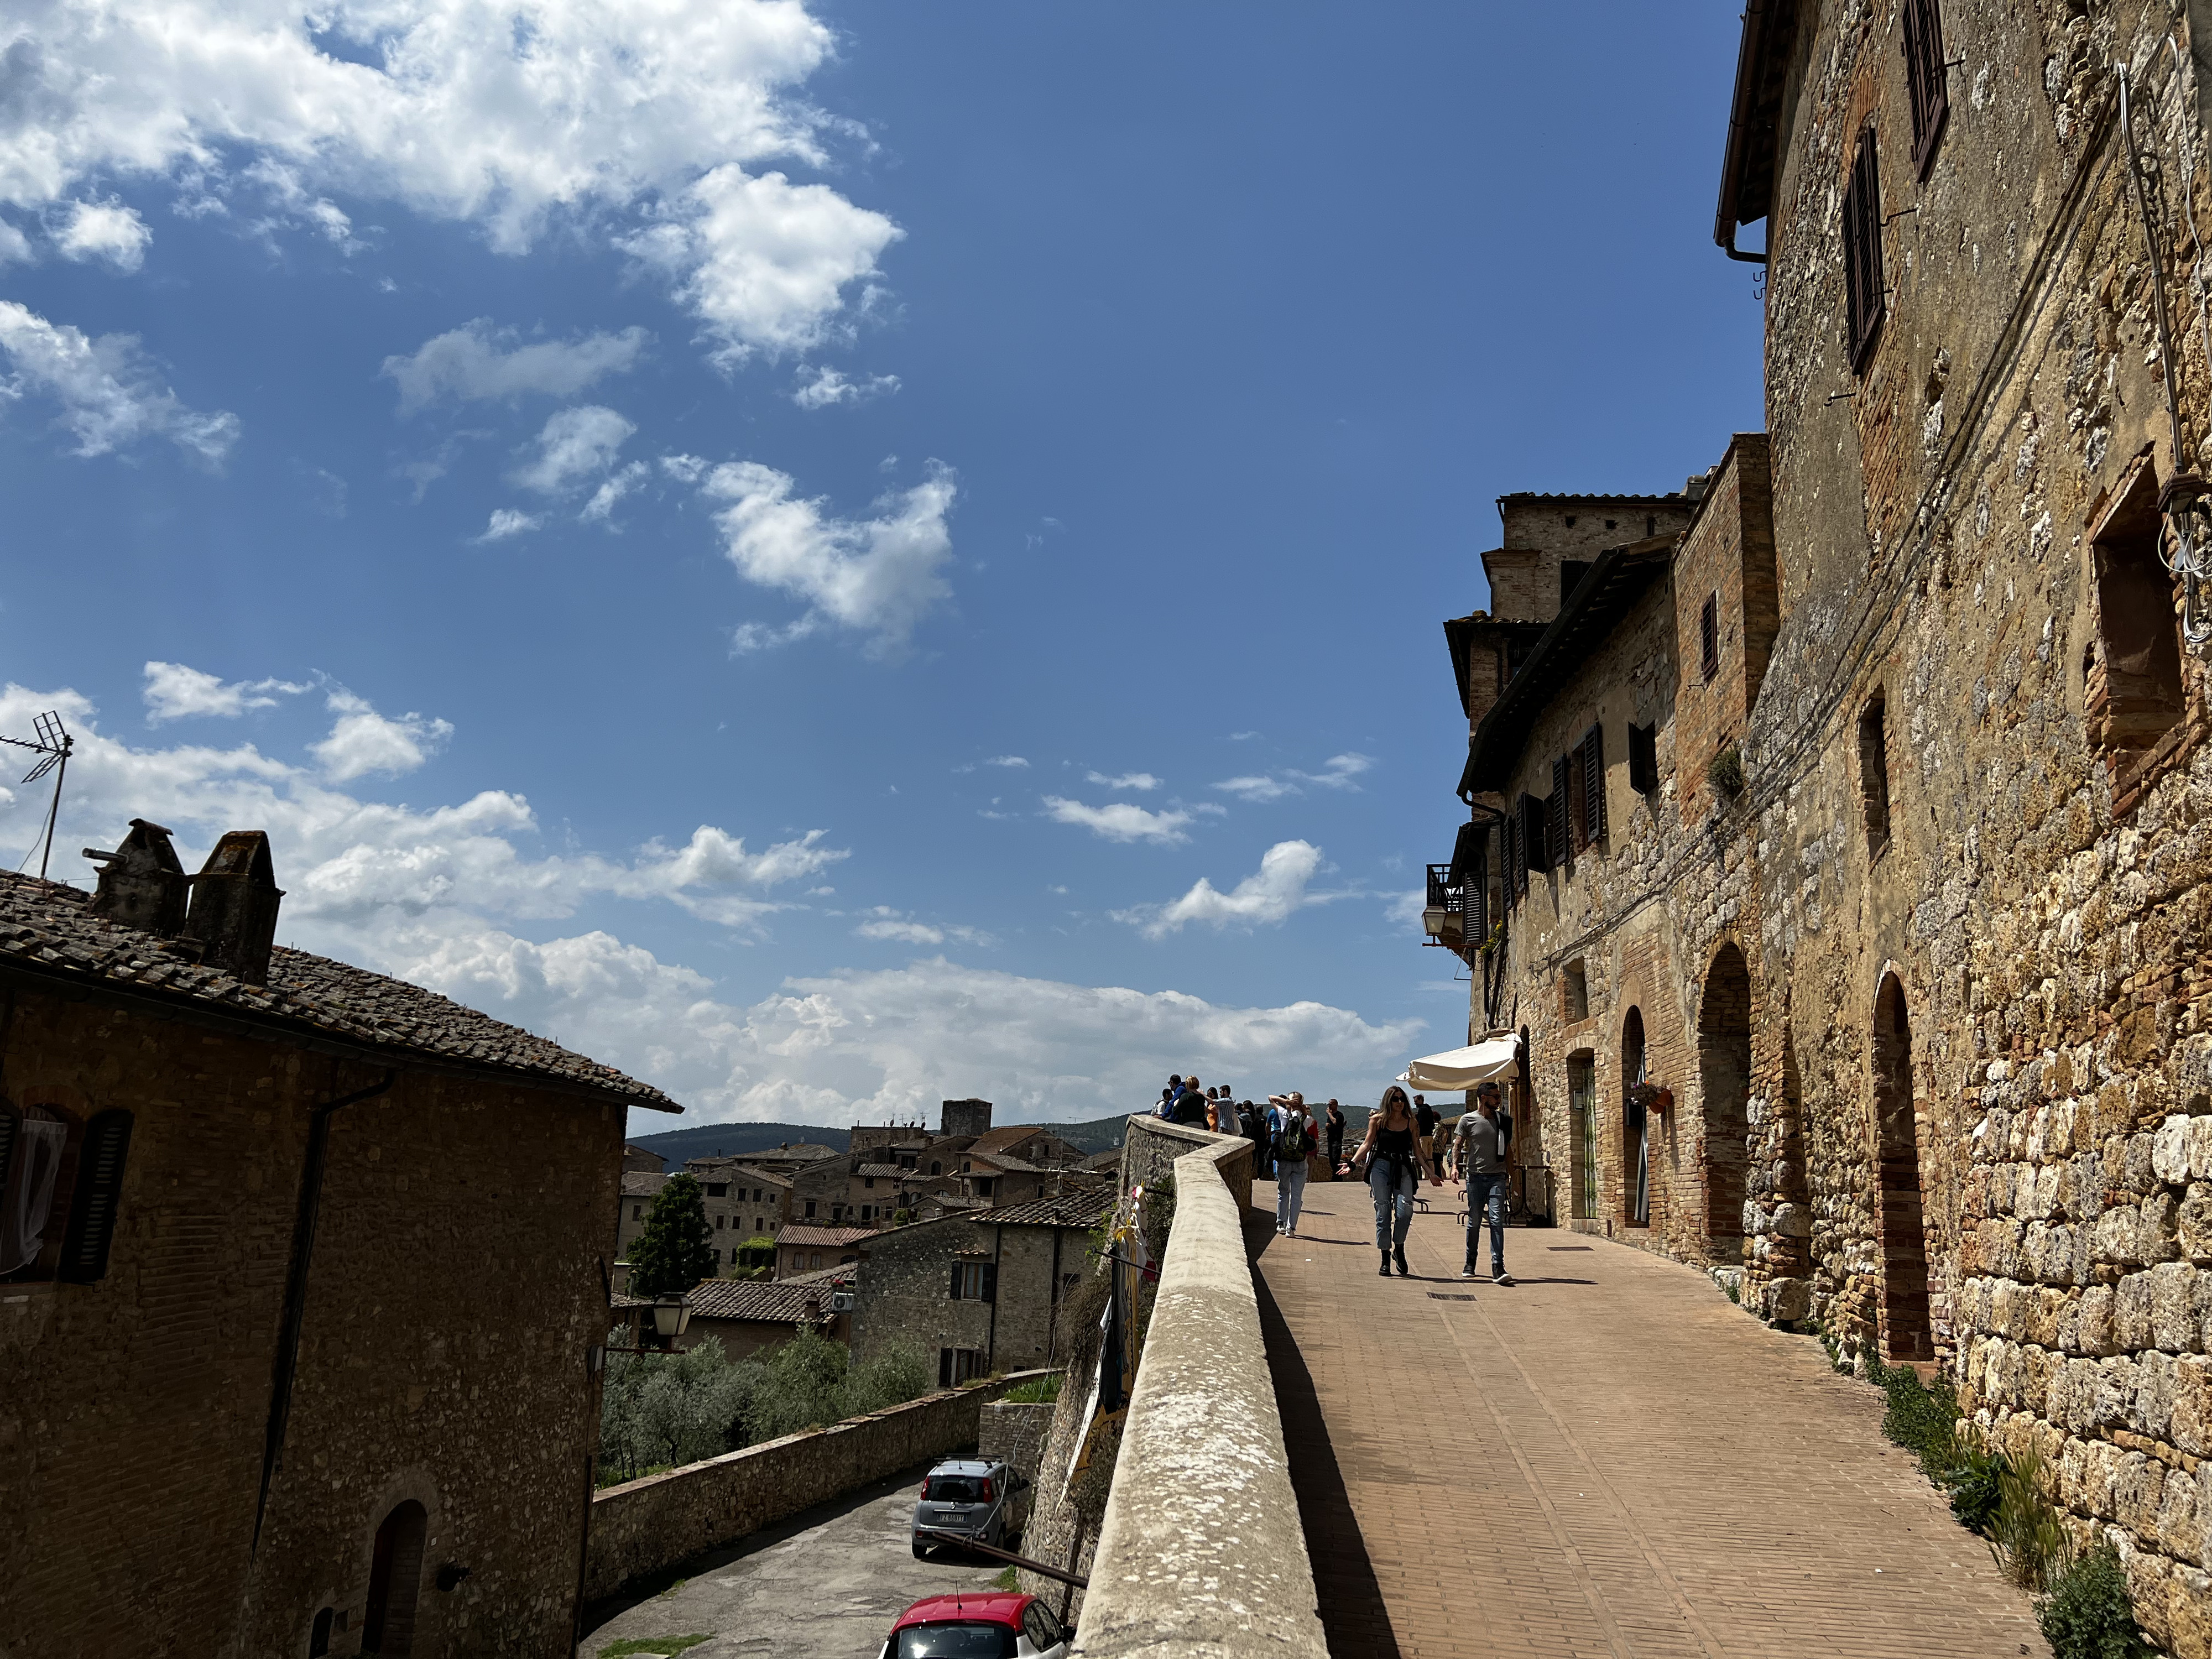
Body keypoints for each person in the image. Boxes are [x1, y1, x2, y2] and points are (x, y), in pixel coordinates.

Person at [1353, 1084, 1439, 1276]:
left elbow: (1417, 1151)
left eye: (1402, 1099)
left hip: (1403, 1168)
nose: (1399, 1102)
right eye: (1395, 1099)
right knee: (1383, 1211)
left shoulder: (1411, 1123)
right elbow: (1367, 1144)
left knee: (1405, 1210)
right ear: (1388, 1101)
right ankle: (1385, 1257)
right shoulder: (1377, 1121)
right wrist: (1352, 1163)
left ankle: (1398, 1247)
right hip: (1381, 1167)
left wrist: (1430, 1173)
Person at [1454, 1082, 1515, 1285]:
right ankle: (1470, 1262)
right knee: (1474, 1222)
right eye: (1495, 1097)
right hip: (1476, 1177)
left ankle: (1498, 1266)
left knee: (1497, 1221)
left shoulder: (1503, 1120)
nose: (1499, 1100)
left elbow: (1507, 1149)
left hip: (1497, 1177)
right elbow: (1458, 1145)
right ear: (1483, 1098)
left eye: (1499, 1096)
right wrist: (1455, 1167)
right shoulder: (1468, 1120)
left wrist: (1513, 1177)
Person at [1267, 1092, 1318, 1235]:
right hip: (1300, 1162)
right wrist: (1300, 1106)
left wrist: (1286, 1101)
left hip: (1284, 1160)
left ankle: (1281, 1223)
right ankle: (1292, 1228)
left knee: (1283, 1191)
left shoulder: (1284, 1114)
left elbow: (1271, 1098)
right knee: (1296, 1195)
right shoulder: (1307, 1119)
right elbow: (1312, 1122)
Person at [1413, 1094, 1440, 1179]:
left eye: (1416, 1101)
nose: (1415, 1103)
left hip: (1423, 1136)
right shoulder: (1429, 1109)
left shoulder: (1422, 1110)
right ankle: (1432, 1174)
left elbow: (1420, 1123)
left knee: (1423, 1156)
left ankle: (1425, 1176)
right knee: (1430, 1157)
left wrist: (1417, 1134)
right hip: (1430, 1135)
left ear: (1421, 1100)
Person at [1324, 1099, 1346, 1173]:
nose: (1329, 1106)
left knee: (1335, 1158)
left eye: (1331, 1104)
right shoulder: (1330, 1117)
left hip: (1337, 1140)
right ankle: (1335, 1174)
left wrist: (1329, 1114)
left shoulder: (1339, 1115)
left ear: (1336, 1105)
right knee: (1331, 1158)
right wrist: (1327, 1127)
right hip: (1330, 1139)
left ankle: (1338, 1175)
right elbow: (1329, 1128)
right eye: (1329, 1104)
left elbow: (1335, 1122)